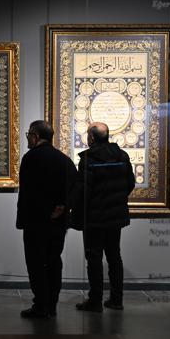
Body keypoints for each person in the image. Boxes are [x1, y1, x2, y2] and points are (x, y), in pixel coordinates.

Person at [69, 121, 136, 312]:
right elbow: (130, 183)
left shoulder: (89, 158)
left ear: (91, 137)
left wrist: (73, 210)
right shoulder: (122, 156)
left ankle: (95, 300)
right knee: (114, 257)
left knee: (94, 258)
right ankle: (116, 299)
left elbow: (84, 190)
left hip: (94, 217)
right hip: (115, 216)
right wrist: (116, 200)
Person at [16, 120, 77, 319]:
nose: (27, 139)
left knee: (35, 264)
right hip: (58, 222)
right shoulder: (64, 159)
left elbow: (29, 193)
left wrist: (25, 219)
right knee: (53, 262)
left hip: (35, 221)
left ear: (35, 136)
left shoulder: (30, 158)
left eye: (28, 135)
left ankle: (40, 304)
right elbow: (75, 188)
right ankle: (52, 304)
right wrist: (63, 207)